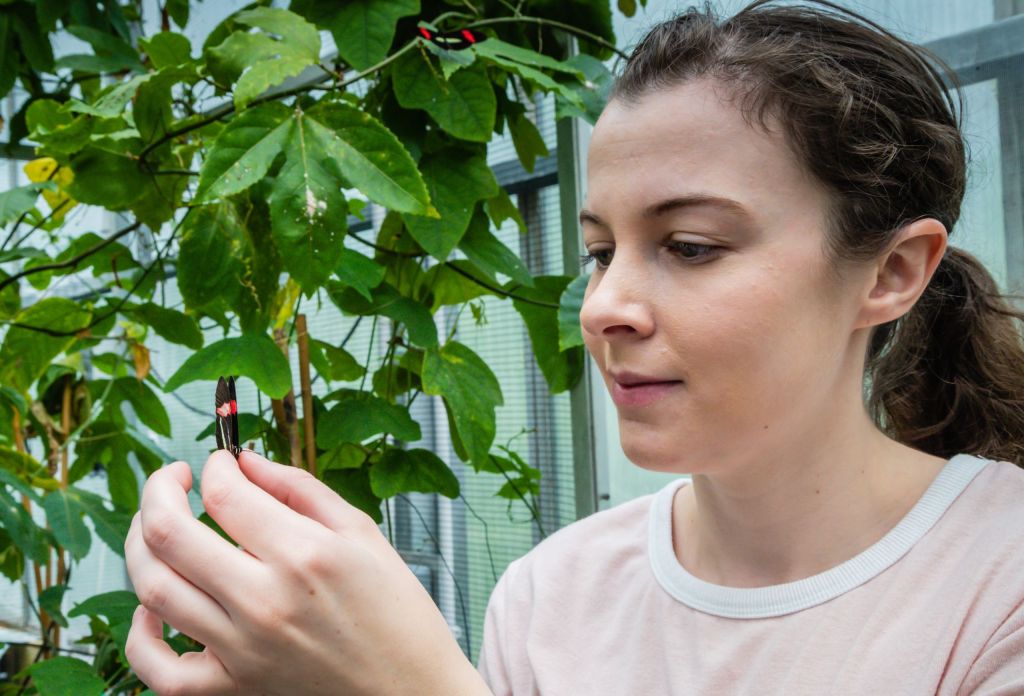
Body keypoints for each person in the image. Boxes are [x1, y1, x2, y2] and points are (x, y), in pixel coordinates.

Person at [124, 0, 1024, 694]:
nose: (604, 306)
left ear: (892, 271)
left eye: (691, 245)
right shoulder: (553, 592)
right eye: (600, 252)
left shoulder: (999, 580)